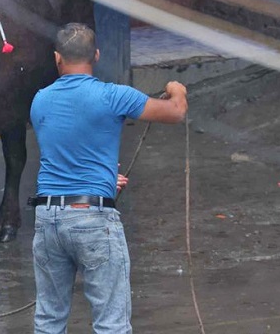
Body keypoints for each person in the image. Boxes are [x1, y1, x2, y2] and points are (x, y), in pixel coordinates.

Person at [29, 23, 188, 334]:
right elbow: (175, 112)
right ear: (97, 55)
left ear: (57, 58)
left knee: (48, 322)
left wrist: (103, 178)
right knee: (111, 325)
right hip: (93, 219)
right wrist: (177, 89)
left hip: (47, 218)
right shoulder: (113, 96)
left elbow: (66, 148)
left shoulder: (40, 101)